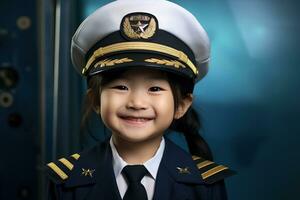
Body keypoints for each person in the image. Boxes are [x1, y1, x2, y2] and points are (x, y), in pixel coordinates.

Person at [45, 0, 235, 199]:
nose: (136, 103)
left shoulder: (205, 185)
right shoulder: (66, 183)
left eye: (154, 88)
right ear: (95, 100)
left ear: (181, 105)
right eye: (121, 87)